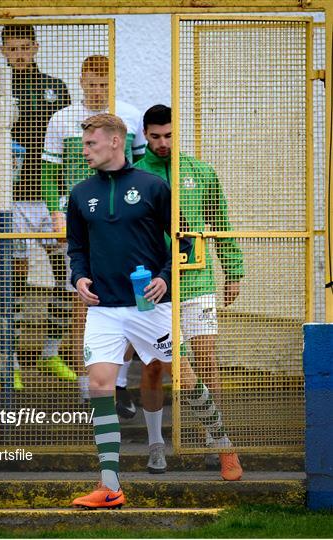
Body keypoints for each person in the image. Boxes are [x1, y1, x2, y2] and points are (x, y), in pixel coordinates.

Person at [67, 113, 241, 510]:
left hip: (150, 306)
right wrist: (79, 277)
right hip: (105, 309)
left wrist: (164, 276)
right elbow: (76, 248)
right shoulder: (80, 194)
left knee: (184, 375)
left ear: (115, 142)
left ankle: (223, 442)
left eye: (91, 143)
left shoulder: (152, 187)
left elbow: (179, 241)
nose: (85, 150)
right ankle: (110, 485)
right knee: (99, 385)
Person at [131, 104, 244, 476]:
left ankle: (215, 438)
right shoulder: (134, 176)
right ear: (144, 135)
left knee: (207, 358)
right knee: (155, 366)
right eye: (155, 137)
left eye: (168, 136)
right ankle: (155, 445)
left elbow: (220, 222)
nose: (162, 143)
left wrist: (234, 271)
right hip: (152, 286)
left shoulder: (200, 171)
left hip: (197, 280)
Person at [43, 55, 145, 407]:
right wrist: (57, 214)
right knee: (82, 304)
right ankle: (87, 391)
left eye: (104, 83)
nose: (98, 89)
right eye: (92, 82)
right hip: (82, 224)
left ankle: (117, 384)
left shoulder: (129, 115)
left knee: (131, 301)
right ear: (82, 81)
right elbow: (48, 173)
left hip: (124, 224)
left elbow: (141, 165)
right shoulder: (61, 119)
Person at [0, 24, 75, 388]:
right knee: (14, 278)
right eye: (12, 49)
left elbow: (65, 137)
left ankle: (51, 352)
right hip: (12, 198)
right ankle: (11, 362)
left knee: (68, 272)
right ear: (2, 51)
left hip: (51, 196)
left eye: (24, 48)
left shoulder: (55, 87)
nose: (18, 55)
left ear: (35, 48)